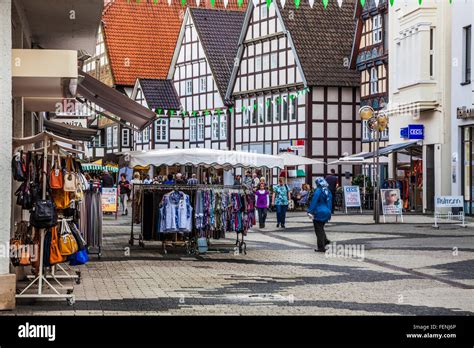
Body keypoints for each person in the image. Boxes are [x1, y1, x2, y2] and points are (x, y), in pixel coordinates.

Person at [307, 177, 332, 252]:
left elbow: (314, 201)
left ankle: (321, 247)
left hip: (319, 212)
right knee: (321, 227)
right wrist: (329, 212)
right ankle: (325, 240)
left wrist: (310, 211)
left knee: (318, 229)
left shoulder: (318, 190)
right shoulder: (328, 191)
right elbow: (330, 202)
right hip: (327, 211)